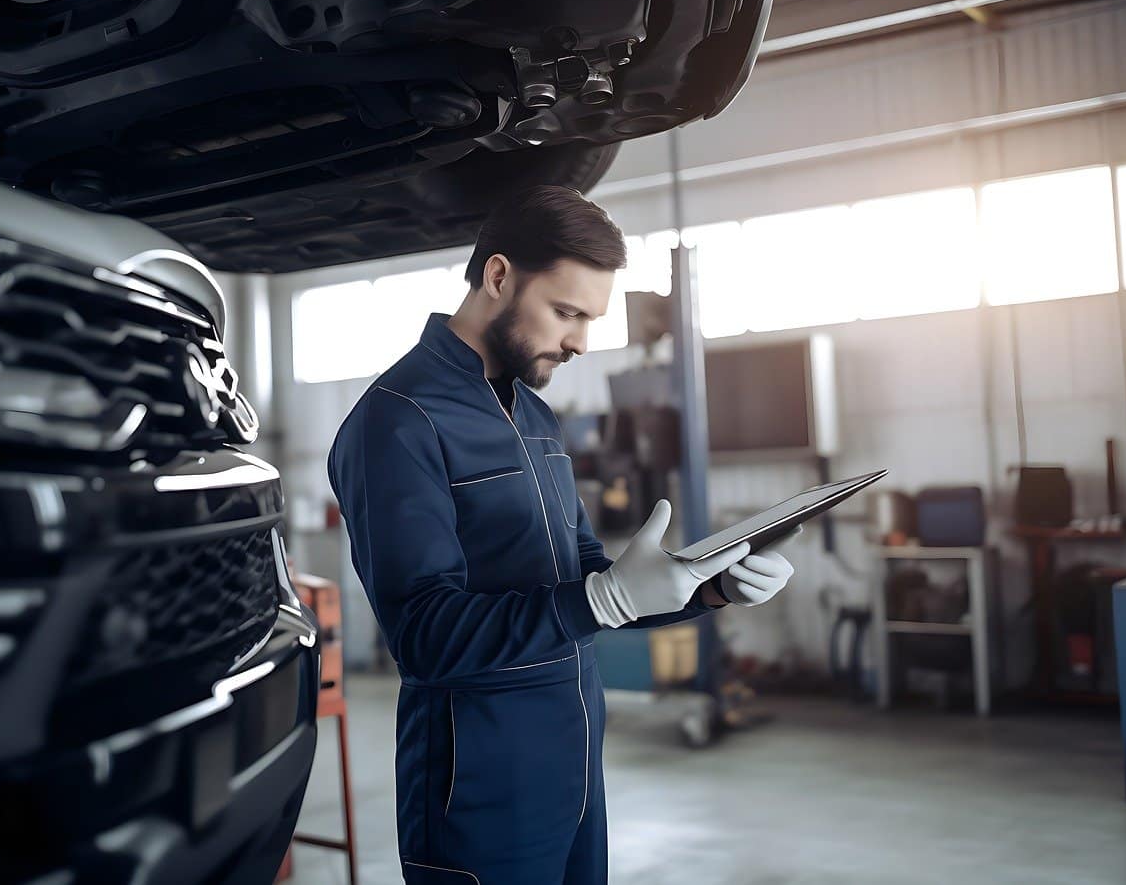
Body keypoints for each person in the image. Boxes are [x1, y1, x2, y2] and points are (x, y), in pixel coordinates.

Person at [327, 186, 795, 884]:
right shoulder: (397, 421)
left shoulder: (537, 418)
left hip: (574, 767)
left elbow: (588, 579)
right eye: (567, 312)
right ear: (497, 276)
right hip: (478, 788)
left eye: (589, 318)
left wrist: (713, 586)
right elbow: (425, 636)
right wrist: (602, 600)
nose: (580, 341)